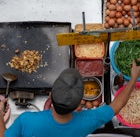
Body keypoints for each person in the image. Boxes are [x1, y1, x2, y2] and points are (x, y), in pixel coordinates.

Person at [0, 60, 140, 137]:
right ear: (79, 104)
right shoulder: (88, 120)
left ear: (51, 95)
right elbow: (117, 105)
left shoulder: (26, 120)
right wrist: (133, 78)